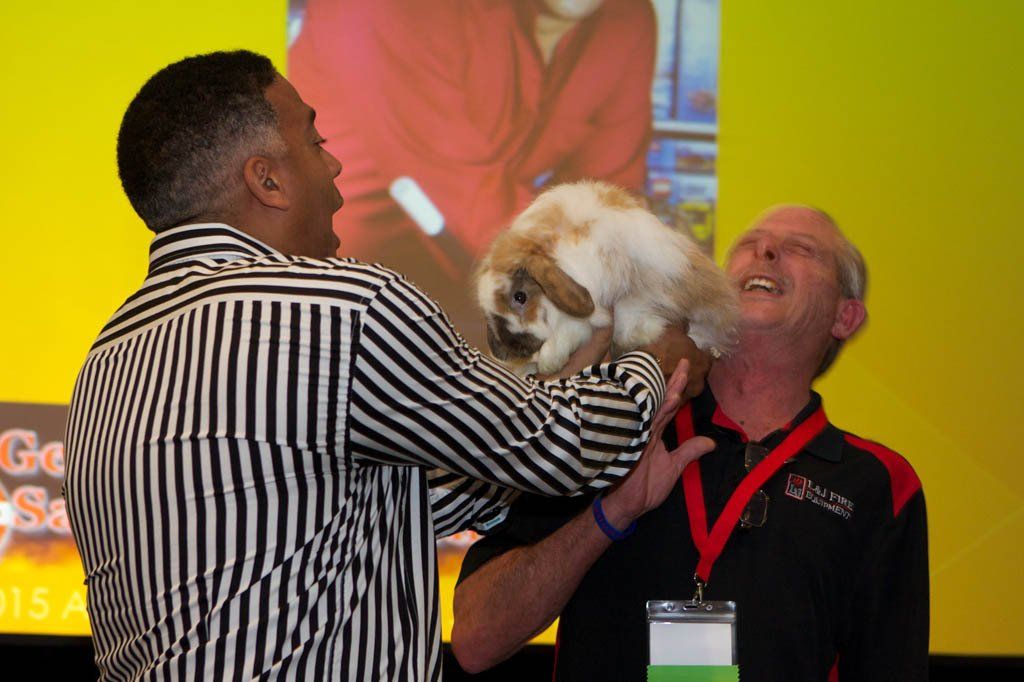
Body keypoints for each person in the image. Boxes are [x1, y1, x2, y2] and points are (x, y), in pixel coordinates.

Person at [62, 51, 709, 681]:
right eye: (316, 143)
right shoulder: (343, 308)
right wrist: (655, 359)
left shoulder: (107, 359)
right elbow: (568, 449)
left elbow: (362, 505)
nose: (338, 165)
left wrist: (552, 399)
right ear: (267, 180)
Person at [452, 206, 929, 681]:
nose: (764, 252)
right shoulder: (606, 425)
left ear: (845, 317)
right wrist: (611, 513)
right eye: (749, 244)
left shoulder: (880, 484)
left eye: (801, 250)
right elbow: (476, 638)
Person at [288, 0, 656, 338]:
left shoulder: (625, 18)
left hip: (483, 286)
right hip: (327, 300)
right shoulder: (392, 8)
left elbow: (610, 197)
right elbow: (467, 197)